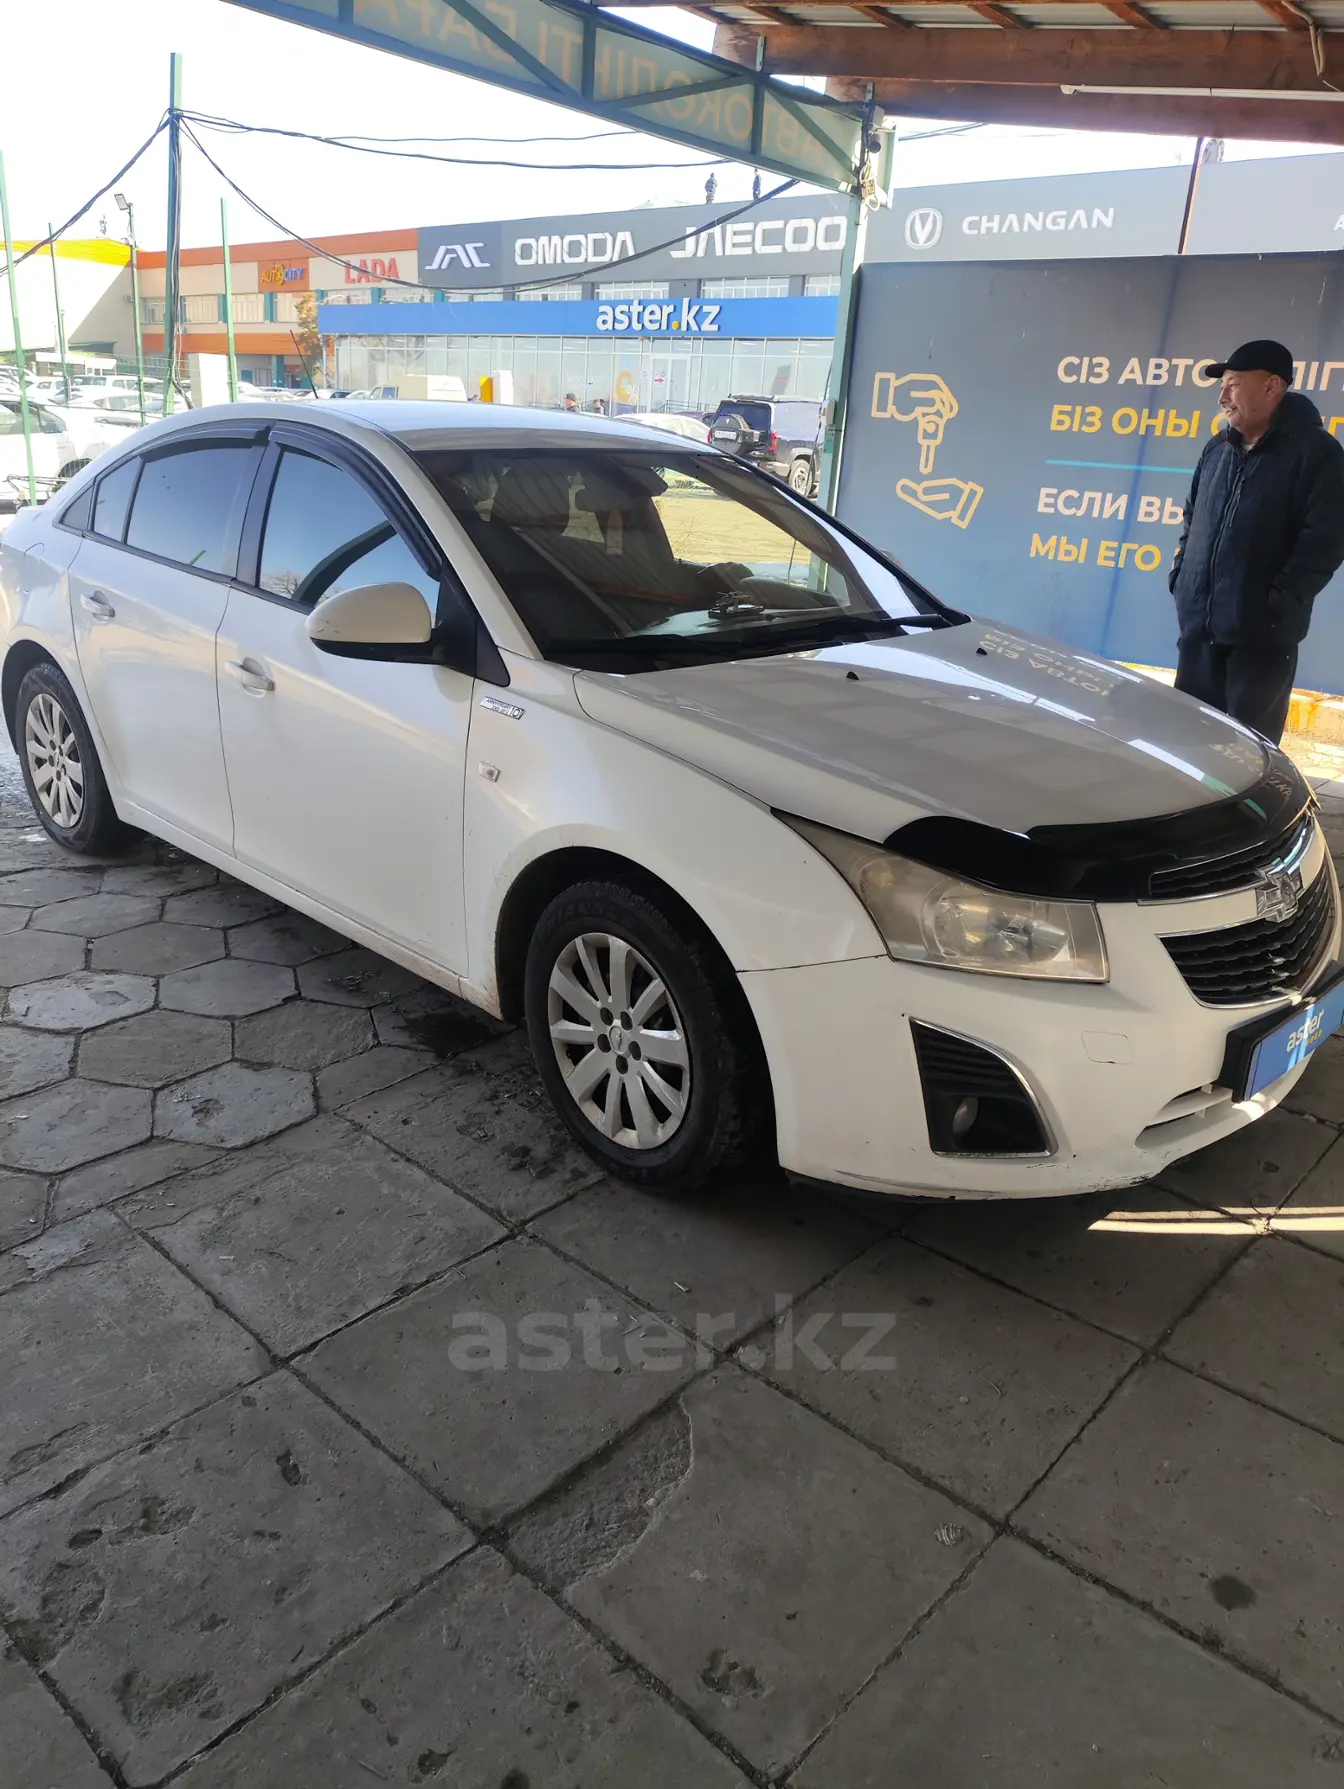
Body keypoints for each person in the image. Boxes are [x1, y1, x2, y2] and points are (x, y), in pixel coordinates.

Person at [1171, 338, 1344, 743]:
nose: (1222, 398)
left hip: (1261, 641)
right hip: (1199, 633)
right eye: (1222, 386)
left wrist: (1275, 605)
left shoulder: (1317, 453)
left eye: (1233, 385)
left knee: (1248, 753)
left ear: (1271, 386)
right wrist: (1182, 580)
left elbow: (1324, 542)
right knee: (1187, 745)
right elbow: (1192, 519)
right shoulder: (1217, 449)